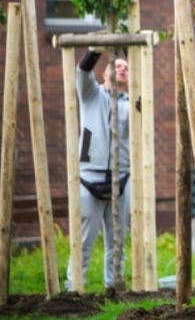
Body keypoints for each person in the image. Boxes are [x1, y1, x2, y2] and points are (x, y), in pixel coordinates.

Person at [68, 48, 131, 291]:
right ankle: (74, 289)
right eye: (116, 65)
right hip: (89, 176)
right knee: (83, 240)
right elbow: (82, 72)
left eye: (126, 67)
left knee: (117, 243)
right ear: (104, 74)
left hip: (121, 177)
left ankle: (114, 287)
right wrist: (94, 51)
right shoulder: (91, 94)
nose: (122, 69)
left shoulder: (133, 103)